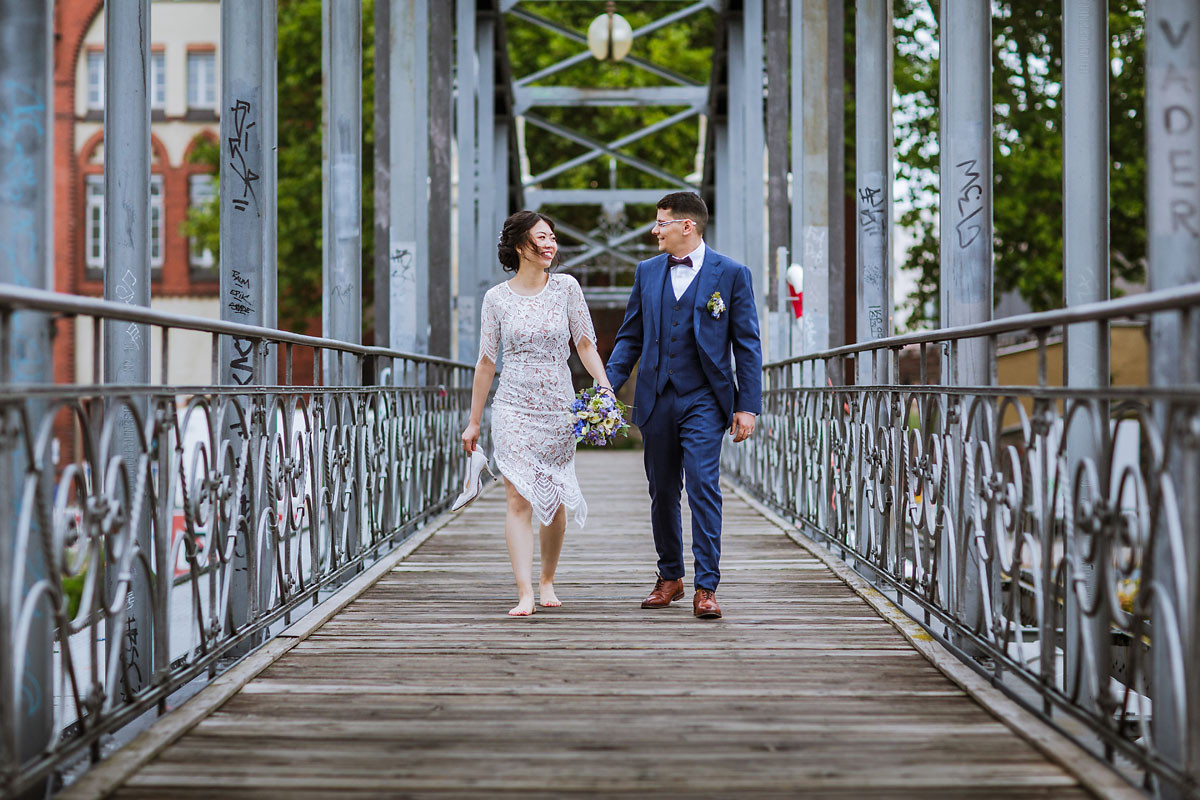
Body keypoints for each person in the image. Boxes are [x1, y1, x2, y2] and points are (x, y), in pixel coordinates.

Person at [605, 192, 762, 619]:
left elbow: (747, 345)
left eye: (661, 223)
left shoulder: (731, 274)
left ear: (686, 226)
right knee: (661, 491)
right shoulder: (647, 272)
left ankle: (706, 587)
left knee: (702, 486)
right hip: (655, 397)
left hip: (706, 400)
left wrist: (747, 406)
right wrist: (606, 389)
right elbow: (629, 338)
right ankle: (670, 577)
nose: (655, 230)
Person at [461, 210, 613, 617]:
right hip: (512, 406)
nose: (549, 245)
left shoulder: (566, 288)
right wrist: (474, 420)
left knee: (556, 499)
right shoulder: (496, 298)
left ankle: (547, 578)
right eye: (540, 238)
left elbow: (584, 344)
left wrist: (603, 384)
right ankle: (525, 591)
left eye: (551, 238)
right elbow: (486, 362)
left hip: (557, 409)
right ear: (517, 245)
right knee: (517, 498)